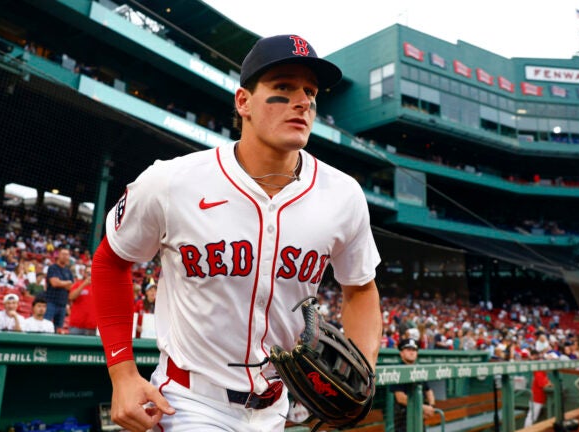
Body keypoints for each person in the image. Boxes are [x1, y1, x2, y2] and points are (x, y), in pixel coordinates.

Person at [92, 34, 382, 432]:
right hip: (189, 403)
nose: (303, 101)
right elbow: (111, 259)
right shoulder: (172, 181)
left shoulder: (343, 195)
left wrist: (358, 377)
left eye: (310, 91)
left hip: (278, 408)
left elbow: (361, 288)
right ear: (243, 101)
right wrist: (122, 373)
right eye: (283, 87)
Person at [389, 338, 436, 432]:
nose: (412, 352)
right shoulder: (396, 369)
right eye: (408, 350)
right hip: (403, 419)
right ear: (401, 353)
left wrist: (431, 406)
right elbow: (400, 397)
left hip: (419, 417)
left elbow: (428, 390)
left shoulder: (418, 369)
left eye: (414, 350)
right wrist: (423, 408)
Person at [43, 247, 74, 330]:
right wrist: (67, 283)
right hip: (51, 302)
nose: (65, 256)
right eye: (63, 254)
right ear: (58, 255)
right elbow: (54, 283)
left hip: (63, 305)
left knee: (59, 329)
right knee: (45, 326)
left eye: (67, 254)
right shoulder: (53, 268)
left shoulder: (68, 271)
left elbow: (71, 287)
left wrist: (61, 282)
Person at [524, 350, 552, 427]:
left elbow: (548, 384)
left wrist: (549, 384)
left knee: (533, 417)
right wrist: (548, 384)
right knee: (531, 417)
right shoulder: (539, 372)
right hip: (536, 399)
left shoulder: (543, 373)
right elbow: (544, 385)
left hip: (538, 399)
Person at [67, 264, 96, 336]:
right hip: (77, 325)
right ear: (84, 273)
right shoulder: (78, 284)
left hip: (92, 326)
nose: (90, 275)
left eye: (92, 273)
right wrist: (84, 284)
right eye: (88, 273)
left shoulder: (99, 286)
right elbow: (71, 297)